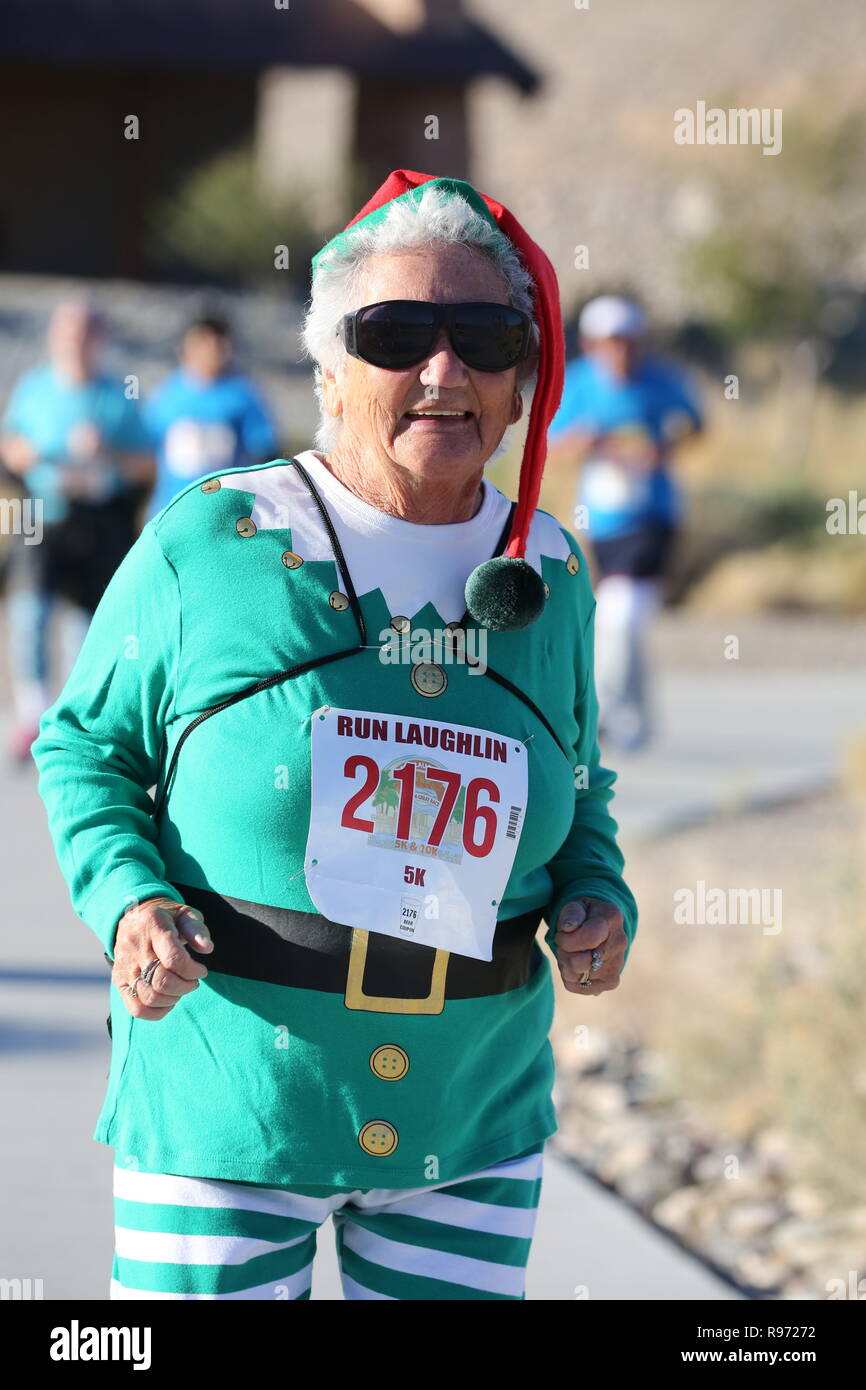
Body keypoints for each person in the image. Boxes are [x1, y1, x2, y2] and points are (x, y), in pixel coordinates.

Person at [32, 171, 638, 1302]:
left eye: (484, 336)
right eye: (396, 333)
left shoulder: (548, 569)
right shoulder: (213, 537)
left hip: (468, 1110)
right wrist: (124, 898)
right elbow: (84, 745)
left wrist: (596, 891)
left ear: (523, 382)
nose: (442, 370)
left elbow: (577, 776)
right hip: (228, 1106)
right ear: (326, 367)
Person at [0, 298, 154, 761]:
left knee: (87, 624)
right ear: (55, 337)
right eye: (68, 332)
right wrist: (31, 454)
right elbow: (11, 448)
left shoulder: (119, 395)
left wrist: (105, 453)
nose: (75, 342)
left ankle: (71, 719)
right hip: (42, 515)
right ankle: (30, 713)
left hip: (99, 518)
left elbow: (146, 466)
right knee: (31, 614)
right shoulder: (35, 388)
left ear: (98, 340)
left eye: (85, 333)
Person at [548, 295, 703, 751]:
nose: (621, 352)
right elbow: (554, 442)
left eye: (629, 342)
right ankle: (640, 717)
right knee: (619, 617)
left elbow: (695, 425)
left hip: (655, 513)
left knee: (625, 607)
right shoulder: (578, 383)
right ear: (592, 344)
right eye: (611, 343)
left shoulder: (662, 379)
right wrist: (590, 440)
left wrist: (664, 447)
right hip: (600, 518)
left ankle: (609, 713)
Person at [143, 313, 279, 521]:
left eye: (216, 343)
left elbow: (264, 453)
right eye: (202, 342)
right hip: (171, 511)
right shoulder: (166, 395)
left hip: (224, 514)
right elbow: (146, 453)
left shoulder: (243, 395)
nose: (210, 351)